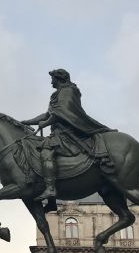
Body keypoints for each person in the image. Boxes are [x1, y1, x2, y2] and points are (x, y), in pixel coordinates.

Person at [22, 69, 112, 203]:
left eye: (52, 78)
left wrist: (45, 124)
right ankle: (51, 201)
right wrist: (27, 122)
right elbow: (48, 114)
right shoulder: (57, 94)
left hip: (68, 133)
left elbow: (62, 112)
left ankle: (50, 188)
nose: (51, 81)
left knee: (46, 151)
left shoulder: (68, 91)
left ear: (59, 79)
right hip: (59, 132)